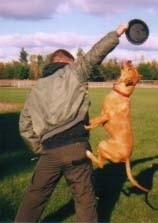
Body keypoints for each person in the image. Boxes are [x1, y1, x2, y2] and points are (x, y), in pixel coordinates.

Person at [14, 23, 128, 223]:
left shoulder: (35, 88)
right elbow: (95, 54)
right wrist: (117, 32)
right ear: (68, 62)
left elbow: (25, 126)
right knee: (85, 201)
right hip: (76, 147)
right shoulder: (74, 71)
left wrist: (40, 148)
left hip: (49, 151)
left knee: (34, 198)